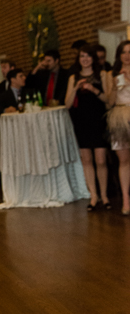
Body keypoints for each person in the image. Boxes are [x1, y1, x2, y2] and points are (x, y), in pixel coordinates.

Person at [65, 45, 110, 211]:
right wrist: (76, 89)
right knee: (87, 160)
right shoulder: (73, 78)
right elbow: (67, 105)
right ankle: (93, 196)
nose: (85, 59)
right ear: (78, 59)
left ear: (93, 58)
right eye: (82, 56)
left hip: (98, 121)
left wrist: (93, 89)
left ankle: (104, 196)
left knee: (101, 160)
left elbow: (108, 99)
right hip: (81, 122)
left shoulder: (102, 74)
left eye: (88, 56)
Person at [106, 40, 130, 214]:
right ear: (119, 55)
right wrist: (115, 84)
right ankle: (126, 201)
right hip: (120, 116)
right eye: (124, 52)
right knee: (123, 160)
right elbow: (110, 102)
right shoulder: (112, 74)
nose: (127, 56)